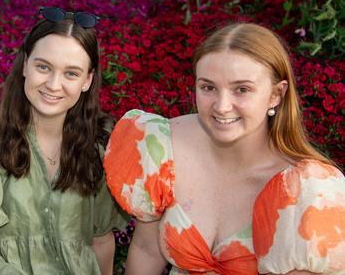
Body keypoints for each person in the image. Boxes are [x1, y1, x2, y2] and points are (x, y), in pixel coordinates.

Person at [104, 23, 345, 275]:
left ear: (276, 94)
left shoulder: (307, 191)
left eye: (242, 89)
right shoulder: (162, 147)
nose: (222, 106)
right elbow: (147, 250)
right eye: (208, 87)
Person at [0, 6, 127, 275]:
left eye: (71, 73)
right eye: (44, 67)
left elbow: (100, 240)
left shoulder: (101, 144)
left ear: (87, 80)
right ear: (26, 64)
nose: (53, 84)